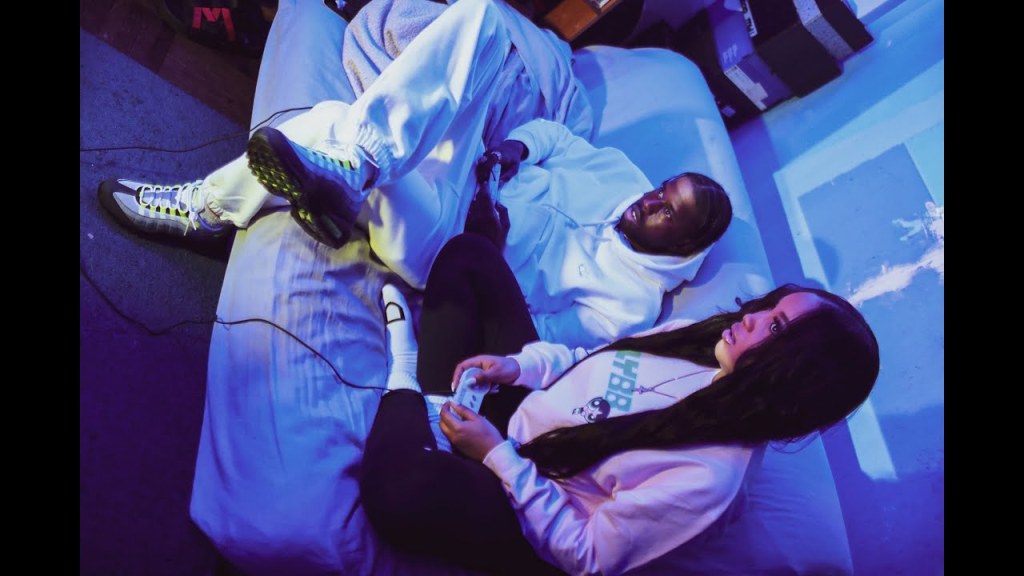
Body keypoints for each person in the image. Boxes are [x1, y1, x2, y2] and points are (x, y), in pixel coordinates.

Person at [98, 0, 732, 350]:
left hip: (451, 244)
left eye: (668, 211)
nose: (651, 200)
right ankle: (358, 161)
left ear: (682, 246)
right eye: (663, 189)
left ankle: (206, 209)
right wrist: (511, 152)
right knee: (482, 17)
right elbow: (555, 137)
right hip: (474, 170)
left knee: (326, 123)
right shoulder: (623, 175)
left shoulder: (628, 305)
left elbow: (531, 338)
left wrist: (489, 252)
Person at [361, 232, 880, 576]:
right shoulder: (704, 344)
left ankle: (403, 376)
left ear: (794, 377)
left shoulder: (710, 480)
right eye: (771, 307)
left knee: (403, 489)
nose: (753, 316)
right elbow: (589, 361)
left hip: (529, 505)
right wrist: (518, 366)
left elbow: (585, 556)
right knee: (470, 255)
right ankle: (431, 408)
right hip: (521, 420)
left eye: (776, 327)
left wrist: (495, 455)